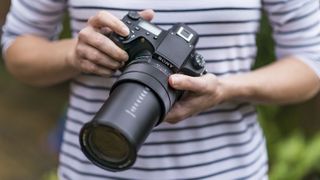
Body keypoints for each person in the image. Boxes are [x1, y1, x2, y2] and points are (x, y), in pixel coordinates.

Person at [2, 0, 320, 179]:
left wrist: (225, 88)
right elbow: (17, 45)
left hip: (227, 172)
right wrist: (75, 53)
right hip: (94, 167)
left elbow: (310, 61)